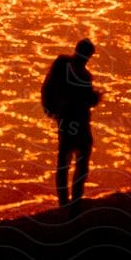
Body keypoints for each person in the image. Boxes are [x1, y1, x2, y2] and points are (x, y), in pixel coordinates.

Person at [41, 38, 101, 209]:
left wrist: (52, 110)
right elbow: (82, 99)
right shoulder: (76, 72)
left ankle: (69, 201)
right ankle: (70, 201)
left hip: (72, 120)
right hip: (73, 121)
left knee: (69, 161)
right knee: (72, 161)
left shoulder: (69, 68)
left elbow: (48, 89)